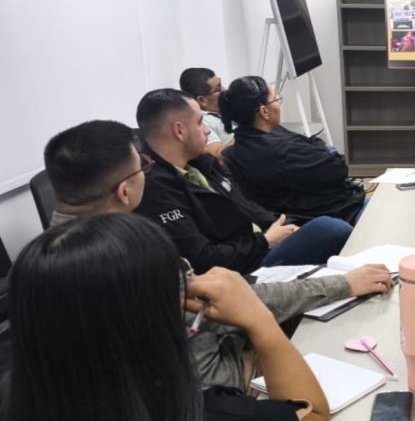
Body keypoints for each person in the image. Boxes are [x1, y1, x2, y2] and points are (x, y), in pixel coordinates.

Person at [0, 214, 337, 421]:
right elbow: (310, 420)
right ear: (156, 313)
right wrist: (260, 321)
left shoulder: (12, 405)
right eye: (183, 274)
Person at [42, 119, 392, 390]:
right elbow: (232, 305)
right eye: (143, 167)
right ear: (124, 191)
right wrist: (342, 285)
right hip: (208, 389)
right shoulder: (141, 255)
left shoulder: (40, 260)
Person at [134, 88, 354, 274]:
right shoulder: (156, 190)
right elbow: (203, 258)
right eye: (200, 122)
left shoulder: (202, 164)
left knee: (351, 218)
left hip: (262, 241)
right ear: (179, 131)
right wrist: (265, 241)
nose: (207, 130)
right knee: (331, 228)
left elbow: (244, 204)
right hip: (244, 268)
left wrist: (280, 226)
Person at [218, 76, 366, 225]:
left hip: (297, 213)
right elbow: (338, 168)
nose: (279, 104)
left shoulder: (236, 149)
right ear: (264, 111)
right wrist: (323, 148)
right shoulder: (284, 151)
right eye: (276, 99)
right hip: (329, 213)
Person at [179, 67, 234, 162]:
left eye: (220, 84)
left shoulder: (225, 109)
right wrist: (248, 132)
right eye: (218, 89)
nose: (225, 90)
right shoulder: (203, 122)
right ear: (202, 100)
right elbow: (217, 159)